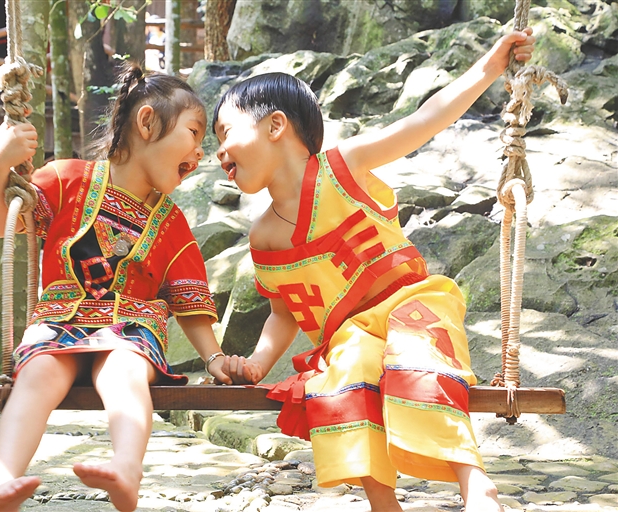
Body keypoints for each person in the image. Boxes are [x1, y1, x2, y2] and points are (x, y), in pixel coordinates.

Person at [212, 28, 536, 512]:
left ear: (276, 125)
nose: (219, 152)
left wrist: (490, 68)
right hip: (350, 332)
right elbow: (283, 312)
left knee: (417, 354)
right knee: (344, 374)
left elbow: (425, 119)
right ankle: (383, 504)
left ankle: (475, 484)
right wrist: (259, 361)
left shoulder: (345, 167)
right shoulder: (264, 236)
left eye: (226, 133)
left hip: (413, 300)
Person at [0, 64, 231, 512]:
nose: (200, 153)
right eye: (194, 133)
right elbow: (1, 223)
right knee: (37, 373)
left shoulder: (172, 223)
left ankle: (126, 470)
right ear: (147, 122)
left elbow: (190, 303)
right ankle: (0, 482)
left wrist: (215, 358)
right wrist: (0, 162)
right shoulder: (65, 178)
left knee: (124, 370)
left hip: (130, 332)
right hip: (58, 324)